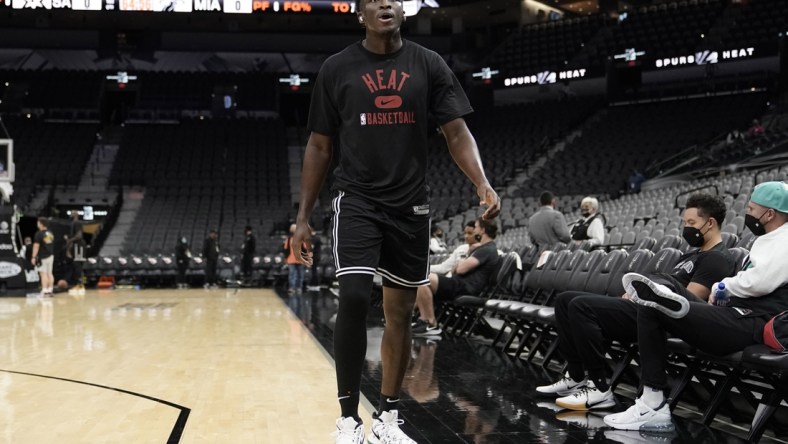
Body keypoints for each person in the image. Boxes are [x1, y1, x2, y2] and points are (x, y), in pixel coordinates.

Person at [290, 0, 501, 441]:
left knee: (400, 312)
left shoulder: (429, 64)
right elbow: (319, 146)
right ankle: (348, 420)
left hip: (411, 204)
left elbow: (456, 131)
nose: (385, 3)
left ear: (403, 12)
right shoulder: (336, 68)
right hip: (357, 198)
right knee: (352, 295)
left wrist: (481, 182)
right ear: (360, 14)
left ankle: (387, 417)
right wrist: (303, 218)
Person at [603, 181, 788, 432]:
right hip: (734, 313)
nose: (748, 213)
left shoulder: (784, 240)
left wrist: (723, 286)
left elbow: (760, 283)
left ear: (770, 214)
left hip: (753, 321)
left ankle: (653, 404)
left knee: (654, 301)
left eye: (752, 208)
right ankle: (663, 293)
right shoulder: (768, 239)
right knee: (656, 293)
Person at [537, 194, 736, 412]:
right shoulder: (692, 255)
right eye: (684, 223)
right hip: (646, 307)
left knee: (580, 306)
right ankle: (575, 376)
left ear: (710, 223)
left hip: (661, 317)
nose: (686, 228)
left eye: (691, 223)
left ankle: (599, 388)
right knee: (564, 300)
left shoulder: (716, 258)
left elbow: (683, 304)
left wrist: (643, 295)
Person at [412, 218, 500, 337]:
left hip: (465, 287)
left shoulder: (487, 249)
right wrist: (467, 257)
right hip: (459, 283)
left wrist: (461, 264)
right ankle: (420, 319)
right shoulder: (483, 248)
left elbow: (460, 269)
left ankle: (429, 322)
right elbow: (455, 270)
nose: (475, 231)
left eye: (477, 227)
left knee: (423, 278)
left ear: (483, 230)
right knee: (422, 278)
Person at [31, 217, 55, 296]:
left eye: (38, 222)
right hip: (51, 255)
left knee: (43, 274)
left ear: (41, 224)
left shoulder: (39, 234)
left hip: (43, 256)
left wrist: (33, 257)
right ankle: (50, 289)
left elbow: (36, 246)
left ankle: (44, 290)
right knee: (50, 273)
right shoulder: (50, 233)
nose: (37, 224)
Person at [65, 212, 87, 294]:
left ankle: (80, 285)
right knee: (76, 265)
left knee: (77, 265)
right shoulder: (73, 223)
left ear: (76, 215)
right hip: (77, 246)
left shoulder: (77, 222)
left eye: (72, 214)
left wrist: (70, 240)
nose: (70, 215)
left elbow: (79, 236)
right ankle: (79, 284)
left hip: (79, 246)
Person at [284, 223, 306, 295]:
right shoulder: (289, 239)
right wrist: (286, 259)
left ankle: (298, 287)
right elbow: (286, 250)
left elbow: (305, 249)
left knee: (300, 275)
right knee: (292, 274)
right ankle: (292, 288)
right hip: (291, 260)